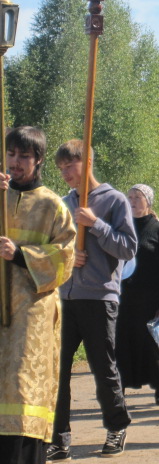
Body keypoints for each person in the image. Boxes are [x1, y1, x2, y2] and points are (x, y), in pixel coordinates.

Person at [48, 139, 136, 461]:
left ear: (87, 162)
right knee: (57, 370)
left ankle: (117, 427)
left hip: (100, 297)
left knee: (103, 367)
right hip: (64, 297)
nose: (65, 173)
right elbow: (53, 248)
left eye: (70, 166)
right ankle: (59, 438)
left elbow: (128, 249)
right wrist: (68, 256)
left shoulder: (115, 200)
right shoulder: (62, 204)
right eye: (61, 169)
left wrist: (96, 225)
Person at [0, 127, 76, 464]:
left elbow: (66, 257)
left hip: (31, 312)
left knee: (22, 387)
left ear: (39, 159)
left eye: (24, 156)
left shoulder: (52, 205)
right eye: (11, 154)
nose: (15, 162)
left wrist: (19, 254)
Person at [116, 184, 159, 404]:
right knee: (121, 342)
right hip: (123, 296)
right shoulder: (122, 227)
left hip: (150, 298)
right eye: (129, 197)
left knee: (151, 344)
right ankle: (119, 390)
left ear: (148, 202)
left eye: (137, 197)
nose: (132, 201)